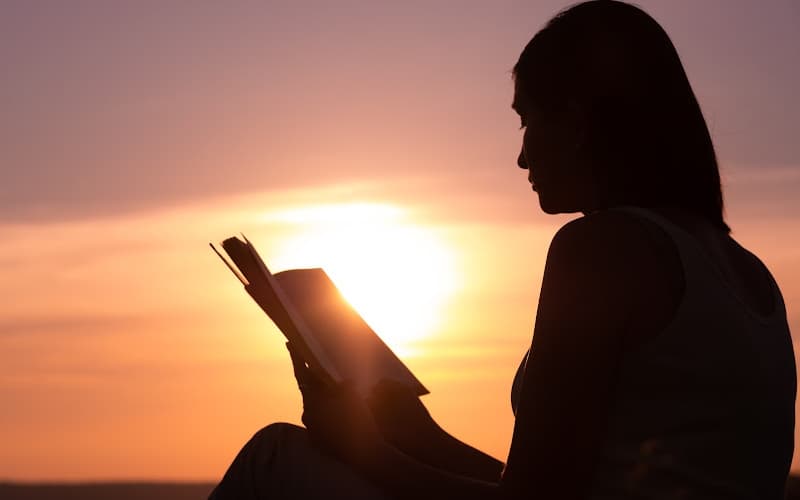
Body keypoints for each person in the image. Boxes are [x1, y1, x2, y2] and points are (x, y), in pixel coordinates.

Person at [209, 1, 796, 498]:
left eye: (526, 120)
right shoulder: (751, 278)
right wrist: (413, 432)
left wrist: (361, 451)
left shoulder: (602, 250)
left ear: (576, 121)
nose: (522, 156)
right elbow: (549, 483)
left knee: (275, 455)